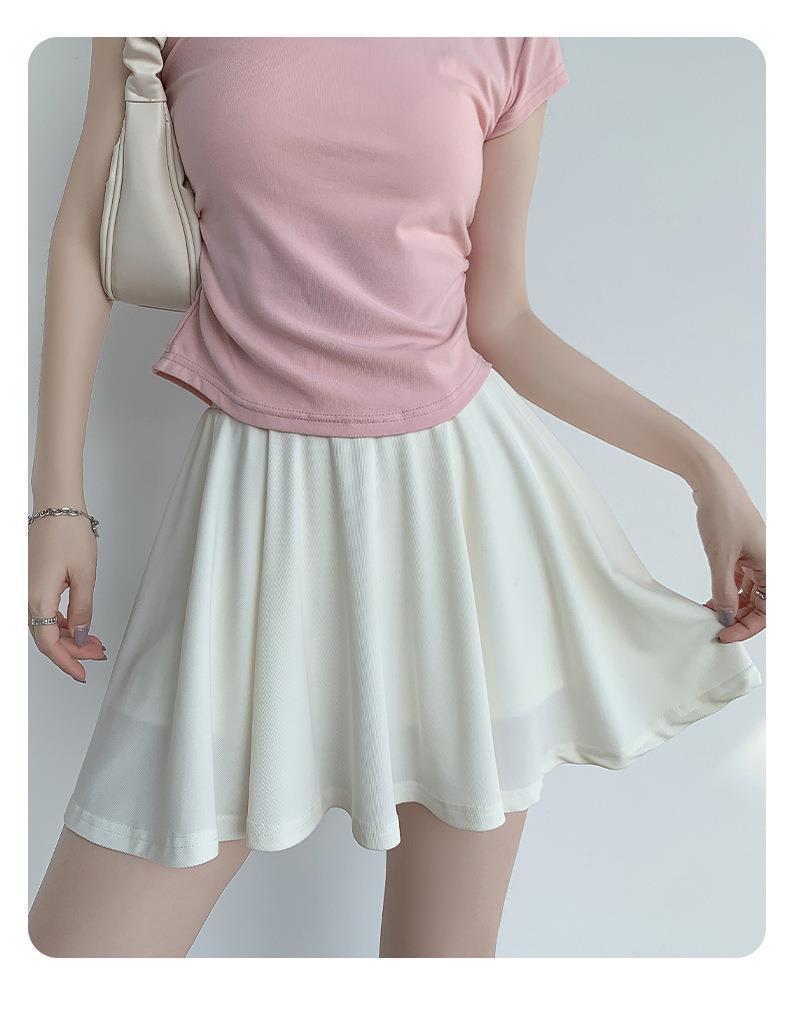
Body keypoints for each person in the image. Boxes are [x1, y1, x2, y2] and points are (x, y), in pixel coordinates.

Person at [28, 37, 765, 959]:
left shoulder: (505, 35)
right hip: (248, 533)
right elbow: (87, 235)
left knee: (439, 970)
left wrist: (707, 470)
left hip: (459, 535)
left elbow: (502, 317)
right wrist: (57, 501)